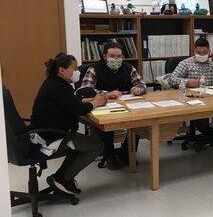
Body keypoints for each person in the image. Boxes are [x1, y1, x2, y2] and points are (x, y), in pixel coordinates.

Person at [30, 53, 107, 194]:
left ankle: (60, 177)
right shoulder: (59, 87)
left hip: (45, 132)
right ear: (62, 70)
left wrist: (88, 101)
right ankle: (64, 178)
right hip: (53, 136)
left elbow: (68, 103)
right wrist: (95, 102)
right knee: (97, 146)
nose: (77, 72)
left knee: (82, 145)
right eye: (74, 68)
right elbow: (77, 110)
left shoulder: (54, 82)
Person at [80, 42, 147, 169]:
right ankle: (109, 155)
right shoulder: (94, 69)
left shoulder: (129, 67)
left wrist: (138, 89)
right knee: (106, 124)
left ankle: (127, 153)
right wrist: (106, 94)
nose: (116, 59)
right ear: (105, 56)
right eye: (112, 56)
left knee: (140, 121)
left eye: (119, 56)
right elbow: (85, 91)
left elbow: (141, 84)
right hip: (103, 106)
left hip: (127, 105)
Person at [168, 38, 213, 152]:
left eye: (204, 53)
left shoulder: (212, 64)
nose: (201, 55)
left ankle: (206, 138)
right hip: (192, 100)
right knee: (202, 124)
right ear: (194, 51)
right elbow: (171, 79)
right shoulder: (186, 63)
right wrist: (187, 81)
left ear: (209, 52)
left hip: (211, 99)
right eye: (198, 52)